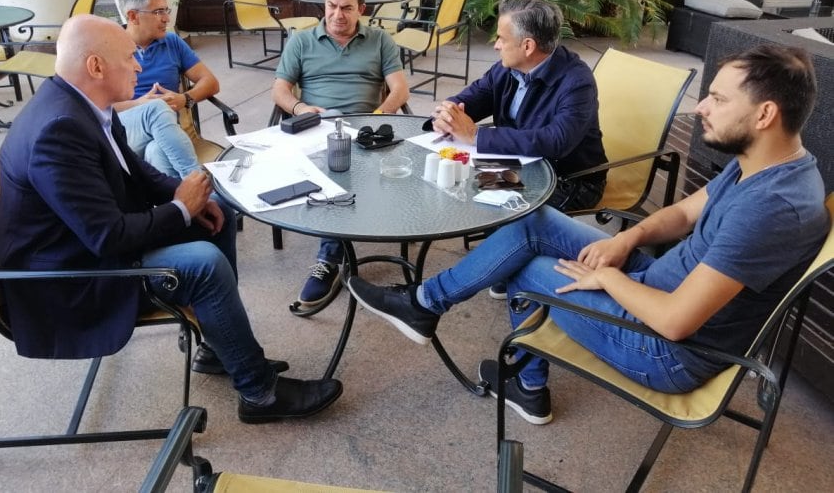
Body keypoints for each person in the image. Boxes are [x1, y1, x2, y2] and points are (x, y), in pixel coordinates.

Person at [346, 44, 829, 425]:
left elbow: (677, 322)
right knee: (531, 221)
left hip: (667, 352)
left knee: (528, 271)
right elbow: (682, 215)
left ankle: (526, 386)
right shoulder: (768, 164)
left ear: (765, 115)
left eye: (719, 99)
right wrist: (626, 240)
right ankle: (426, 305)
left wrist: (612, 280)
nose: (701, 107)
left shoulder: (771, 207)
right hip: (657, 281)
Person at [0, 14, 343, 424]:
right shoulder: (59, 129)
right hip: (71, 281)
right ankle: (259, 392)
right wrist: (179, 209)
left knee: (220, 215)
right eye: (130, 58)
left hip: (85, 247)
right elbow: (108, 239)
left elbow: (135, 172)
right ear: (95, 67)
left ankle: (217, 346)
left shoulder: (82, 106)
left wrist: (187, 198)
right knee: (203, 264)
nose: (139, 67)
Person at [430, 0, 607, 298]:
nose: (496, 45)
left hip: (569, 179)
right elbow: (473, 97)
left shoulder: (576, 81)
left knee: (481, 194)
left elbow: (556, 141)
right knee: (454, 181)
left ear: (527, 46)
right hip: (519, 167)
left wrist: (476, 137)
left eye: (500, 38)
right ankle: (502, 259)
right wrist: (448, 115)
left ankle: (504, 265)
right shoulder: (508, 69)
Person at [272, 0, 410, 309]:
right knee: (337, 168)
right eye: (331, 6)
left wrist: (379, 116)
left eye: (346, 8)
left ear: (361, 8)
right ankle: (331, 257)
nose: (337, 14)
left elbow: (400, 89)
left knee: (344, 167)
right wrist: (301, 107)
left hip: (365, 129)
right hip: (317, 126)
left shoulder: (380, 41)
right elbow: (279, 90)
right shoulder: (302, 41)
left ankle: (330, 259)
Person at [113, 0, 218, 178]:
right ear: (133, 16)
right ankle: (198, 181)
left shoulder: (171, 42)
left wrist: (184, 99)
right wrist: (139, 104)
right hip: (125, 136)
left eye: (165, 11)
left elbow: (210, 82)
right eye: (158, 12)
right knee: (156, 108)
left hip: (166, 137)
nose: (166, 19)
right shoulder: (110, 46)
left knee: (156, 150)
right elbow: (95, 106)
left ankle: (185, 205)